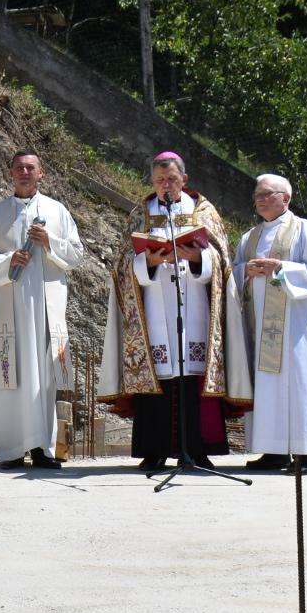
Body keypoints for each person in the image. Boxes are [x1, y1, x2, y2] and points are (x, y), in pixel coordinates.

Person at [98, 152, 250, 471]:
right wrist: (148, 263)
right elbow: (122, 265)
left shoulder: (202, 211)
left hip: (194, 307)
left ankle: (196, 449)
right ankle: (154, 450)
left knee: (191, 375)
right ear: (152, 182)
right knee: (159, 376)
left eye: (171, 179)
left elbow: (222, 260)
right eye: (159, 180)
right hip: (153, 308)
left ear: (184, 179)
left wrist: (198, 258)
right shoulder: (141, 212)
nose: (165, 185)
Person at [0, 151, 86, 470]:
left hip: (44, 311)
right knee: (11, 377)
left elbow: (77, 253)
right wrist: (7, 260)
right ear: (11, 173)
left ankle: (43, 449)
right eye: (19, 168)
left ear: (42, 174)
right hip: (8, 309)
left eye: (30, 168)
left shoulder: (56, 211)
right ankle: (11, 450)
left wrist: (50, 242)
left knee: (43, 377)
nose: (24, 172)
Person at [234, 174, 307, 475]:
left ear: (286, 198)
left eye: (267, 194)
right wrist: (245, 270)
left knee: (298, 384)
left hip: (294, 327)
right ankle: (273, 450)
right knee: (266, 387)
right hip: (259, 323)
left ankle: (306, 453)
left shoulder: (304, 229)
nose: (260, 199)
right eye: (257, 195)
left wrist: (282, 269)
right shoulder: (249, 237)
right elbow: (234, 274)